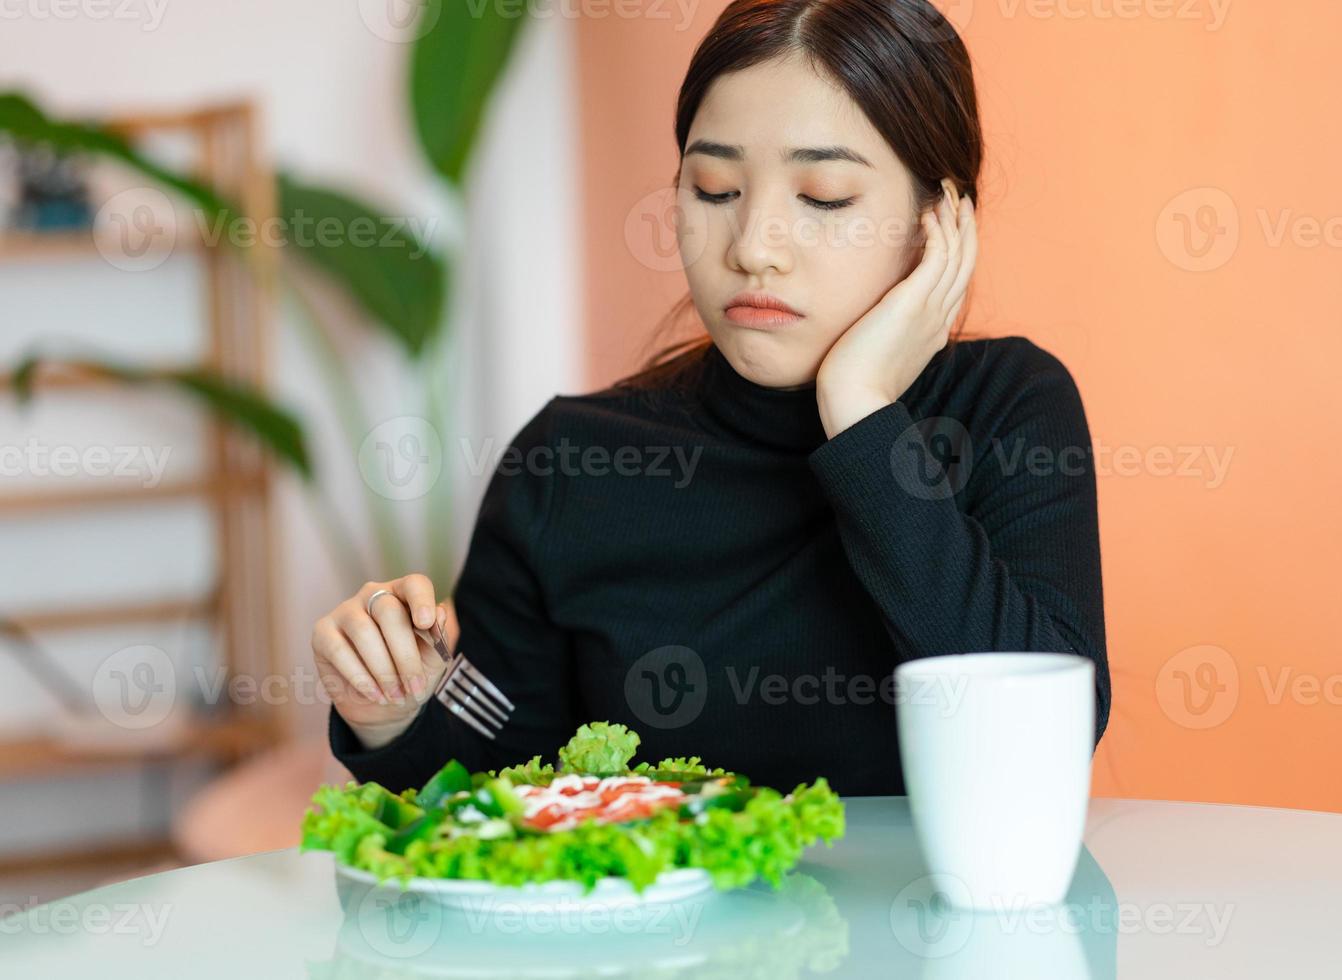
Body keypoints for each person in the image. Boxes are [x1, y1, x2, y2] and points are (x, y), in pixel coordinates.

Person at [312, 0, 1108, 796]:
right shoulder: (571, 462)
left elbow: (1040, 744)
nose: (753, 246)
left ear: (937, 223)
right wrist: (396, 714)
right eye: (715, 187)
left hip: (936, 923)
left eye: (824, 196)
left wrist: (863, 415)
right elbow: (498, 787)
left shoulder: (1009, 409)